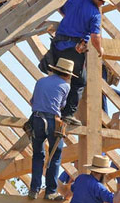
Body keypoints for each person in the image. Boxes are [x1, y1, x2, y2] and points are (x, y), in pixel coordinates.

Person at [42, 0, 120, 126]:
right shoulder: (95, 13)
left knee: (60, 76)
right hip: (74, 50)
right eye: (102, 1)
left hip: (57, 45)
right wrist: (100, 50)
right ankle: (68, 114)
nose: (103, 3)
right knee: (80, 81)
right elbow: (95, 36)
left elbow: (61, 8)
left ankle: (55, 109)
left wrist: (72, 19)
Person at [28, 58, 74, 200]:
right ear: (67, 74)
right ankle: (50, 191)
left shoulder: (41, 81)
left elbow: (32, 101)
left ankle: (34, 190)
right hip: (53, 121)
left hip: (36, 119)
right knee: (55, 156)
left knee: (38, 155)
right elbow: (61, 105)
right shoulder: (65, 86)